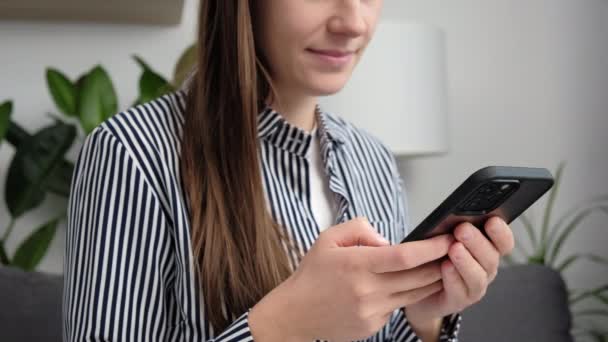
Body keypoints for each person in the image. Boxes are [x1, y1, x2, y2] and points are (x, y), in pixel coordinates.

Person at [63, 1, 515, 341]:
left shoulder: (373, 160)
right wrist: (282, 324)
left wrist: (425, 319)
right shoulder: (131, 154)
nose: (354, 23)